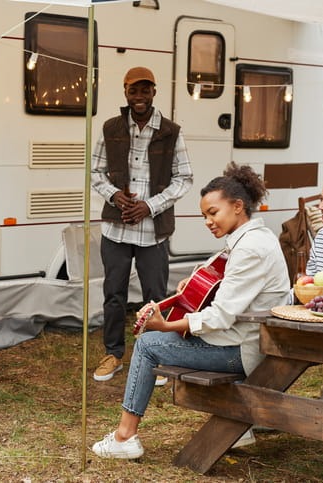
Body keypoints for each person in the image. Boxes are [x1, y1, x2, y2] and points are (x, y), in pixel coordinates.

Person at [91, 162, 290, 459]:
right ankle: (240, 430)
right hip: (251, 339)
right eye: (204, 216)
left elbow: (220, 316)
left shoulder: (249, 248)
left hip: (244, 350)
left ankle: (125, 437)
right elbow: (218, 276)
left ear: (238, 206)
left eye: (213, 213)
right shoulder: (255, 237)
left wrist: (168, 327)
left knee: (147, 345)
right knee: (156, 341)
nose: (208, 221)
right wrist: (194, 280)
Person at [90, 66, 193, 382]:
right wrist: (115, 198)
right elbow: (95, 173)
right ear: (125, 92)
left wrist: (149, 206)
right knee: (113, 294)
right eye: (134, 90)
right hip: (116, 228)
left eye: (145, 90)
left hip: (153, 229)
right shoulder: (110, 128)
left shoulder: (171, 131)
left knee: (155, 295)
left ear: (154, 92)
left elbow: (184, 178)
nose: (139, 97)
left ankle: (157, 353)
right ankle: (113, 354)